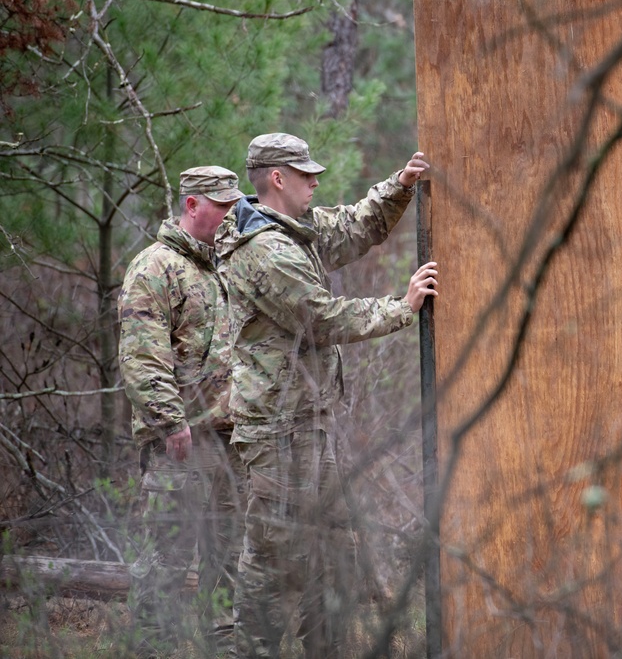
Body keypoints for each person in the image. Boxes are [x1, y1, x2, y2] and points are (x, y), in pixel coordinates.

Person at [215, 132, 438, 658]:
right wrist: (401, 307)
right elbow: (320, 318)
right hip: (275, 432)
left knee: (333, 548)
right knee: (272, 561)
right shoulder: (264, 251)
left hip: (307, 423)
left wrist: (400, 186)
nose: (315, 180)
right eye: (305, 173)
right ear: (277, 178)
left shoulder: (293, 230)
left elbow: (355, 227)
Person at [118, 166, 248, 657]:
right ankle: (154, 648)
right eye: (221, 204)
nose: (230, 213)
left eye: (234, 203)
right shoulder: (154, 266)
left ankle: (224, 647)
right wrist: (170, 423)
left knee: (230, 556)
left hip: (230, 440)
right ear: (193, 205)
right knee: (168, 558)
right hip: (181, 444)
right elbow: (141, 355)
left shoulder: (226, 266)